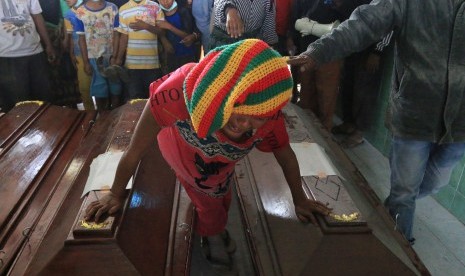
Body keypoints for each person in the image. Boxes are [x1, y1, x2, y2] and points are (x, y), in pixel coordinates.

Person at [84, 39, 332, 269]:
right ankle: (211, 234)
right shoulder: (175, 94)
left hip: (221, 159)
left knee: (220, 192)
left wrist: (299, 199)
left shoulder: (270, 114)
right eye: (239, 112)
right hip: (180, 146)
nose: (244, 125)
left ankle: (213, 224)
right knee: (208, 198)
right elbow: (135, 150)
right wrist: (115, 194)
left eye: (256, 119)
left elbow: (284, 154)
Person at [288, 0, 465, 245]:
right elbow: (363, 23)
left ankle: (390, 210)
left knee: (435, 182)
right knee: (405, 192)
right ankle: (401, 250)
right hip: (414, 113)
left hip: (460, 121)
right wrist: (317, 53)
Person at [332, 31, 393, 148]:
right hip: (354, 46)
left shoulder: (387, 12)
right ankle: (348, 124)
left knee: (365, 91)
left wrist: (377, 51)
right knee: (347, 85)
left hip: (371, 49)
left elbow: (390, 26)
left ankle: (359, 132)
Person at [0, 0, 55, 112]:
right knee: (16, 106)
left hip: (35, 52)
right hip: (7, 56)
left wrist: (48, 45)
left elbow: (37, 17)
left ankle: (43, 129)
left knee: (43, 100)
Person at [74, 0, 122, 110]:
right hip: (93, 58)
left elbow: (116, 33)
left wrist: (115, 56)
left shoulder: (113, 8)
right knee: (100, 90)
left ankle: (115, 116)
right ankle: (102, 118)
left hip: (111, 57)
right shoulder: (81, 11)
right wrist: (86, 62)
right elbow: (81, 39)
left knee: (116, 88)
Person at [114, 0, 165, 100]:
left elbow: (162, 32)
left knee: (153, 99)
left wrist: (146, 26)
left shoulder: (155, 6)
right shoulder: (123, 9)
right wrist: (119, 58)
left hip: (152, 63)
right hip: (132, 64)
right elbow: (124, 36)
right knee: (135, 99)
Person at [64, 0, 95, 110]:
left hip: (96, 53)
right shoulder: (68, 15)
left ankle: (104, 113)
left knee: (101, 86)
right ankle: (90, 113)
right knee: (84, 87)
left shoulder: (92, 10)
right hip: (79, 55)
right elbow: (72, 36)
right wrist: (72, 53)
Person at [210, 0, 277, 49]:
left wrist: (271, 44)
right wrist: (229, 10)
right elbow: (219, 2)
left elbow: (269, 19)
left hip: (252, 44)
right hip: (225, 42)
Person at [156, 0, 198, 73]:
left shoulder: (183, 11)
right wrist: (164, 40)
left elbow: (188, 36)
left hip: (186, 55)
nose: (165, 2)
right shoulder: (156, 12)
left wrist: (169, 27)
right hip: (169, 57)